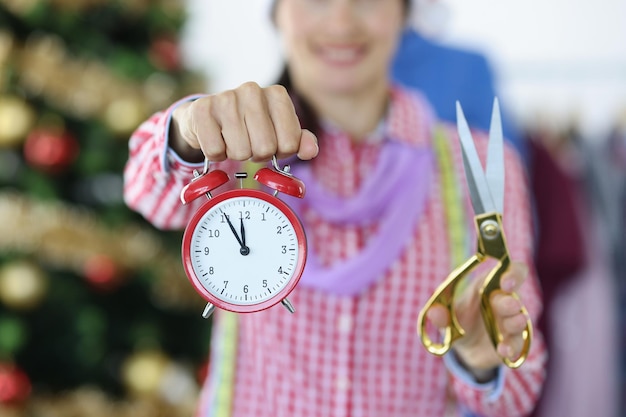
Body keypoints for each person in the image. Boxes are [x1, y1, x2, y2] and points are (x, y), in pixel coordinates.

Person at [123, 0, 547, 416]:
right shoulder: (231, 147)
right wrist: (186, 128)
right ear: (276, 13)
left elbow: (517, 395)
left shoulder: (478, 166)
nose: (341, 20)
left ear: (404, 13)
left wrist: (480, 359)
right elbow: (147, 195)